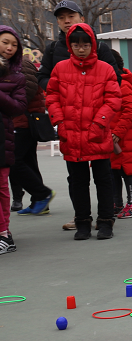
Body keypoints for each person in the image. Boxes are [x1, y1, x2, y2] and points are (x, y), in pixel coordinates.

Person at [46, 23, 121, 241]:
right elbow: (51, 96)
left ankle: (106, 221)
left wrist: (100, 123)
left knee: (104, 179)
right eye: (76, 44)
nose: (81, 48)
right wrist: (59, 121)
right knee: (77, 181)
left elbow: (113, 99)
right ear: (70, 45)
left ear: (93, 45)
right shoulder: (60, 68)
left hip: (97, 133)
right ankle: (82, 221)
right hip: (71, 134)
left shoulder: (105, 69)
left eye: (85, 44)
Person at [9, 29, 55, 217]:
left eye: (11, 44)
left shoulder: (21, 64)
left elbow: (26, 93)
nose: (8, 47)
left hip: (23, 121)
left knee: (13, 162)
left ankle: (42, 194)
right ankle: (39, 201)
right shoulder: (15, 64)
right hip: (22, 120)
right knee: (28, 161)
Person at [38, 0, 120, 91]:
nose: (66, 21)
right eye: (61, 18)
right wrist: (61, 89)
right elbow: (42, 77)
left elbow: (115, 79)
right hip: (63, 103)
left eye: (71, 16)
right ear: (58, 22)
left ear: (82, 19)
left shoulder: (100, 48)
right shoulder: (52, 49)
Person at [0, 25, 27, 255]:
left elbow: (18, 107)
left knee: (1, 187)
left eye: (14, 44)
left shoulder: (17, 77)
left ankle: (4, 233)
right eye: (4, 42)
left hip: (3, 137)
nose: (9, 47)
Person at [109, 50, 132, 219]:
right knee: (113, 171)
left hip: (122, 136)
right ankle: (117, 203)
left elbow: (129, 111)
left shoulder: (124, 84)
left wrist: (118, 133)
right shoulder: (111, 82)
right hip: (112, 135)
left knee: (126, 170)